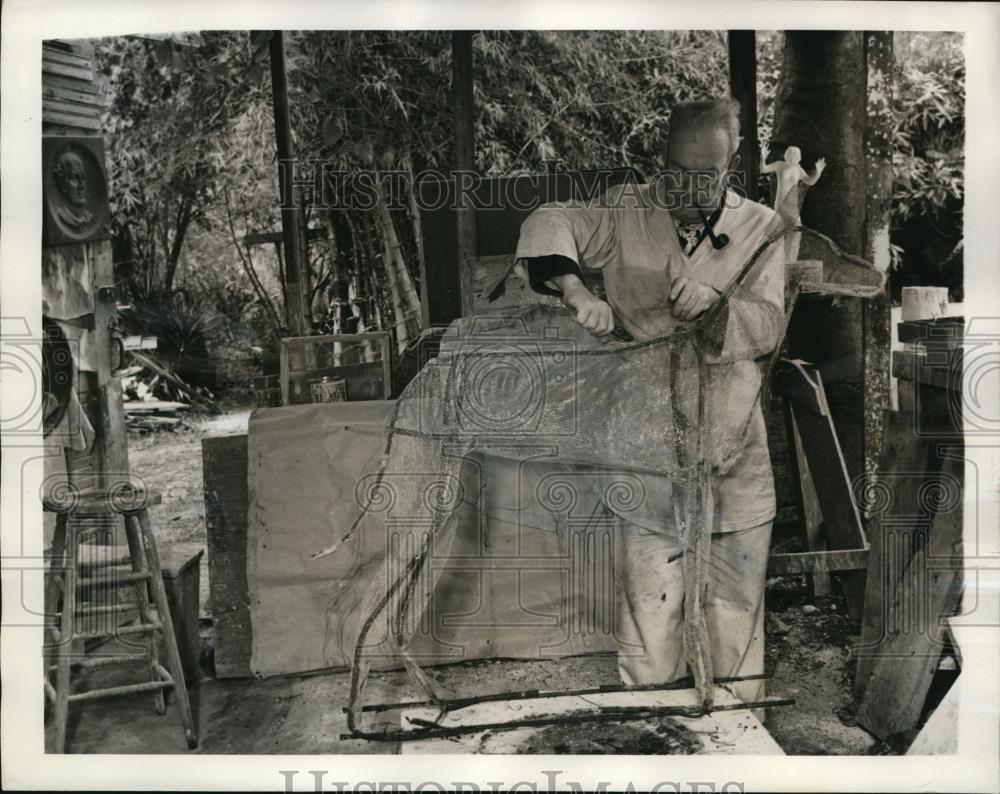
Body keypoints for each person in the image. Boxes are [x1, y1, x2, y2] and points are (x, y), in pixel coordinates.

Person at [512, 96, 786, 709]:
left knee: (735, 606)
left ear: (731, 163)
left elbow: (769, 326)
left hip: (731, 439)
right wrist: (577, 289)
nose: (687, 186)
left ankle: (739, 735)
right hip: (645, 445)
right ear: (660, 160)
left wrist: (718, 307)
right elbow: (549, 220)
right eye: (675, 170)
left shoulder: (763, 227)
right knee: (651, 610)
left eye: (705, 174)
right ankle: (651, 728)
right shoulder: (626, 211)